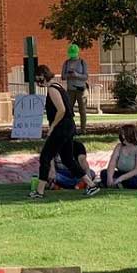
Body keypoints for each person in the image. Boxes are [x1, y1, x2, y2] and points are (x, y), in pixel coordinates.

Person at [30, 65, 96, 199]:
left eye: (38, 78)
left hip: (62, 128)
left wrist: (52, 127)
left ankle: (39, 191)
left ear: (43, 76)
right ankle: (91, 185)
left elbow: (62, 110)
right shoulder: (58, 86)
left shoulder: (53, 89)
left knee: (45, 157)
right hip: (68, 127)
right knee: (67, 160)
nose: (37, 81)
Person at [101, 124, 137, 189]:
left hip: (134, 175)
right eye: (121, 134)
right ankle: (115, 184)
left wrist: (121, 178)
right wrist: (109, 178)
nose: (122, 137)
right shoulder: (119, 146)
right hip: (121, 173)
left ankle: (119, 184)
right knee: (104, 173)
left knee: (136, 180)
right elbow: (112, 163)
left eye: (124, 134)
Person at [61, 44, 91, 130]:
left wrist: (77, 75)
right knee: (68, 111)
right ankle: (70, 128)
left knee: (82, 111)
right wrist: (69, 75)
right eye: (71, 53)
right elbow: (63, 76)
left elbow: (86, 76)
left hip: (81, 89)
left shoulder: (82, 62)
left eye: (73, 53)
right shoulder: (66, 63)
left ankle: (83, 129)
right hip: (70, 90)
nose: (72, 55)